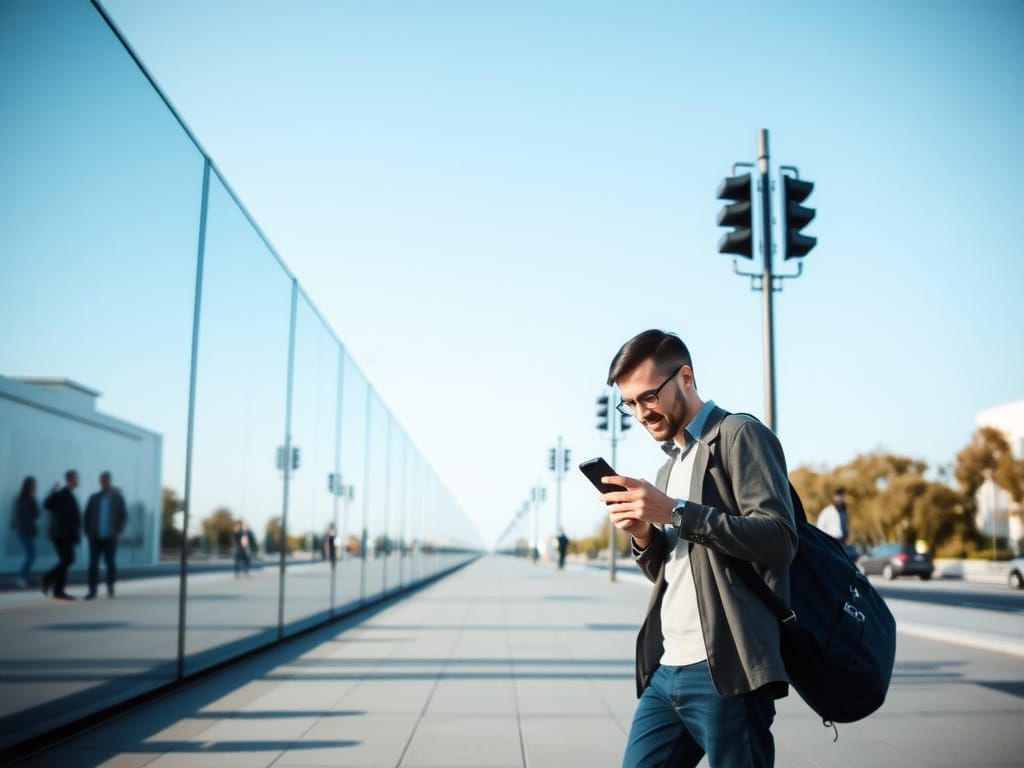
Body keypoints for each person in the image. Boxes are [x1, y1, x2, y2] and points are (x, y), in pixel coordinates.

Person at [598, 330, 797, 768]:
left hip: (726, 670)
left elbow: (780, 538)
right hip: (668, 668)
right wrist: (644, 534)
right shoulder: (668, 467)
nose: (640, 412)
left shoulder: (739, 434)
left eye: (648, 396)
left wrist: (673, 510)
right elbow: (675, 573)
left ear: (685, 377)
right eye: (629, 404)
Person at [83, 471, 128, 599]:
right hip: (95, 536)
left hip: (111, 537)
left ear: (110, 481)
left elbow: (123, 515)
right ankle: (92, 591)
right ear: (100, 482)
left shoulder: (117, 497)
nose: (104, 483)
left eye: (106, 480)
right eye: (102, 481)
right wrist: (87, 531)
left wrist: (119, 531)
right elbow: (86, 515)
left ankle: (110, 586)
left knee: (110, 563)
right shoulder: (94, 497)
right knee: (93, 564)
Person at [42, 470, 82, 601]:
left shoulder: (69, 494)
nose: (78, 481)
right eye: (76, 478)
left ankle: (58, 590)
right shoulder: (62, 492)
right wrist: (53, 491)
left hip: (66, 534)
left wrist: (76, 536)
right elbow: (47, 504)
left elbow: (73, 518)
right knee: (68, 560)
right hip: (61, 534)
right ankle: (49, 579)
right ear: (70, 479)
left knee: (66, 560)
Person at [11, 476, 41, 588]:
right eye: (34, 484)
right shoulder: (29, 498)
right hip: (27, 530)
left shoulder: (20, 498)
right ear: (29, 485)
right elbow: (37, 513)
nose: (36, 486)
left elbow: (16, 514)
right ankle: (22, 577)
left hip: (23, 530)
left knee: (31, 555)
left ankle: (25, 576)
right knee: (31, 555)